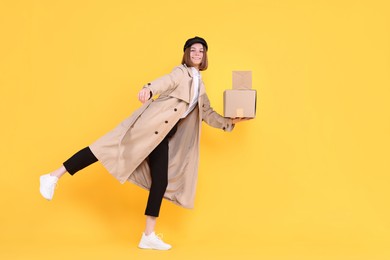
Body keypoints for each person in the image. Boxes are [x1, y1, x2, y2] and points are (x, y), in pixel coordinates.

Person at [39, 36, 249, 250]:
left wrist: (229, 121)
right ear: (187, 53)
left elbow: (207, 113)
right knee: (104, 148)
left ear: (205, 55)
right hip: (148, 128)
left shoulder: (199, 85)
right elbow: (164, 81)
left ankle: (148, 236)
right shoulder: (180, 72)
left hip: (161, 136)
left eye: (201, 51)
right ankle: (52, 176)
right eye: (193, 50)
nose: (197, 53)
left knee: (160, 181)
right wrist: (148, 89)